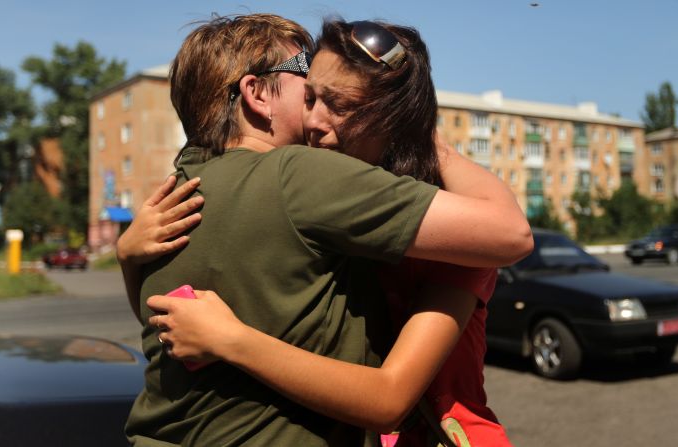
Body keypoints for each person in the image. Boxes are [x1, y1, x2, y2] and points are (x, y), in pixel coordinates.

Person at [117, 14, 531, 447]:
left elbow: (159, 324)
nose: (315, 117)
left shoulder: (174, 195)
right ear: (256, 93)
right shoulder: (300, 176)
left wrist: (129, 259)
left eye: (338, 101)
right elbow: (511, 233)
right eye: (307, 85)